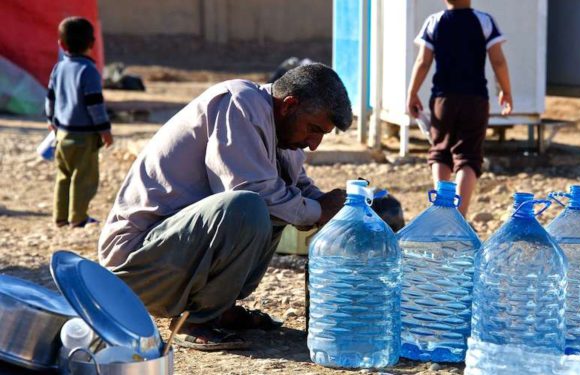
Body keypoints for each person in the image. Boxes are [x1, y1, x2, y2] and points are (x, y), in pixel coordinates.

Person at [98, 63, 351, 350]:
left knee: (279, 206)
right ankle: (195, 320)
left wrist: (336, 205)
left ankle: (218, 307)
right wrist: (318, 211)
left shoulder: (283, 136)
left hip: (172, 260)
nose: (314, 144)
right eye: (314, 129)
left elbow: (295, 189)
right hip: (137, 267)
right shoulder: (239, 103)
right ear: (289, 105)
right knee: (250, 206)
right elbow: (250, 191)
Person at [407, 0, 512, 217]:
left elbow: (423, 61)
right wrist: (506, 90)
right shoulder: (484, 21)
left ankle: (443, 209)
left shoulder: (434, 22)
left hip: (442, 100)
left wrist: (412, 92)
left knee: (440, 152)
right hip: (476, 99)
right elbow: (498, 61)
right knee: (468, 157)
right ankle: (460, 216)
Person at [45, 17, 113, 228]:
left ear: (61, 44)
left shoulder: (59, 68)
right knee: (83, 178)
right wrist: (105, 130)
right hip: (84, 136)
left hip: (62, 133)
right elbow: (95, 105)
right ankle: (78, 217)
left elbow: (50, 98)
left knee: (63, 176)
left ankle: (60, 217)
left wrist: (51, 120)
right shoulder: (89, 71)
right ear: (92, 43)